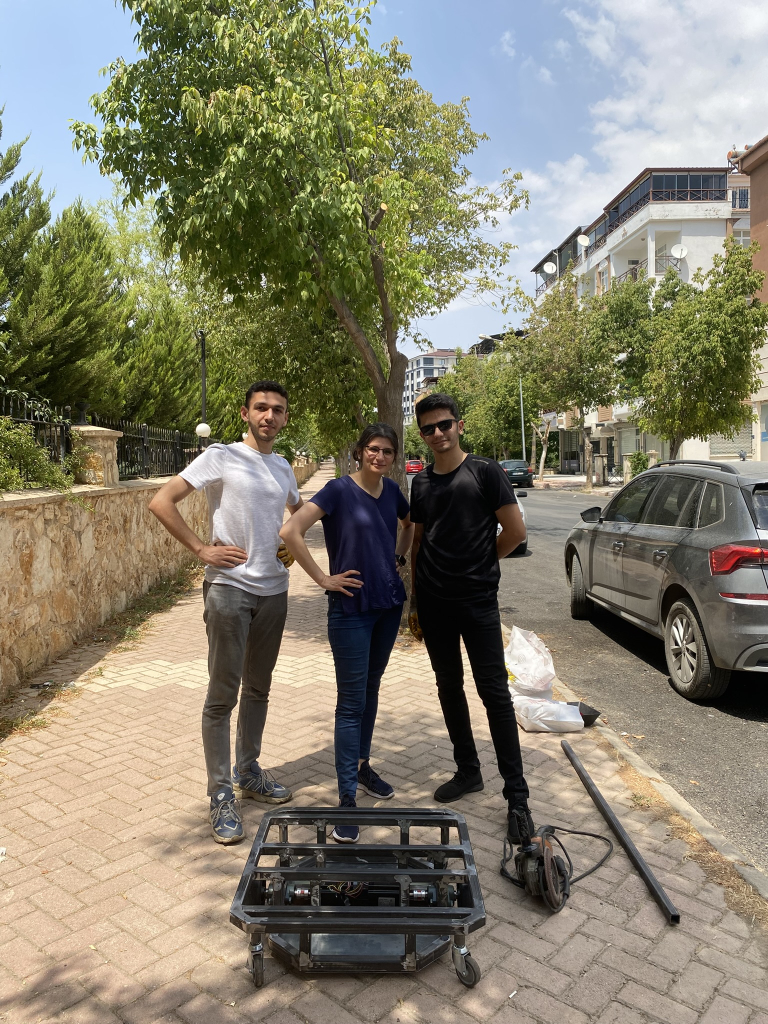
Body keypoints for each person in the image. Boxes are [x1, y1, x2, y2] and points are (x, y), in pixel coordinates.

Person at [148, 381, 302, 844]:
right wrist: (200, 548)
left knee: (259, 688)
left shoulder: (283, 467)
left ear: (285, 417)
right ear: (244, 413)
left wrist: (289, 544)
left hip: (274, 591)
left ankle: (248, 772)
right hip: (229, 590)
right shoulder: (222, 456)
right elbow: (160, 501)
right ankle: (219, 793)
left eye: (277, 409)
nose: (269, 416)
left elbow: (297, 514)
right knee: (222, 695)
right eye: (261, 408)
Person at [407, 393, 534, 845]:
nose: (437, 433)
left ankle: (517, 798)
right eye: (428, 428)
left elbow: (515, 532)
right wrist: (414, 601)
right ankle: (468, 771)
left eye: (444, 424)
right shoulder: (421, 483)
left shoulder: (485, 471)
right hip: (434, 603)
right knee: (448, 686)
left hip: (478, 602)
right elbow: (418, 542)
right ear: (422, 434)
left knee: (494, 694)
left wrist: (481, 563)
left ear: (459, 425)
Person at [280, 423, 413, 844]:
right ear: (360, 451)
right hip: (351, 609)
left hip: (388, 605)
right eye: (373, 449)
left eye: (387, 451)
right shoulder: (338, 490)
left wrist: (398, 558)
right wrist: (323, 578)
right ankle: (347, 799)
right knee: (351, 703)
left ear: (393, 456)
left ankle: (361, 766)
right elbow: (290, 531)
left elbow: (409, 524)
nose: (379, 456)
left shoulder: (393, 492)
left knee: (371, 690)